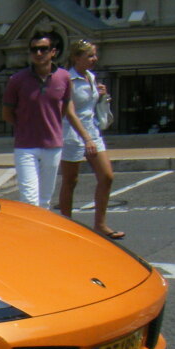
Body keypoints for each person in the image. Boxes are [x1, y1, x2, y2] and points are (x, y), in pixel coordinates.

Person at [2, 31, 93, 209]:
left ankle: (41, 236)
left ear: (53, 52)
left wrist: (86, 137)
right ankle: (31, 235)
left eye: (43, 49)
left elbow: (66, 109)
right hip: (26, 147)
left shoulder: (64, 77)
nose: (38, 53)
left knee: (44, 201)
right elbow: (7, 113)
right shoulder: (17, 80)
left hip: (53, 146)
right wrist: (26, 126)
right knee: (29, 199)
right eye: (34, 49)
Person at [56, 40, 121, 239]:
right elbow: (68, 111)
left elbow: (89, 108)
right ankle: (66, 224)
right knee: (70, 180)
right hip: (72, 134)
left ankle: (100, 224)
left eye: (94, 55)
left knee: (107, 176)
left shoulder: (91, 77)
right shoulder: (67, 79)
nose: (94, 59)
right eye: (90, 56)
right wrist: (85, 139)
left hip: (92, 131)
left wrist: (101, 95)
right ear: (76, 57)